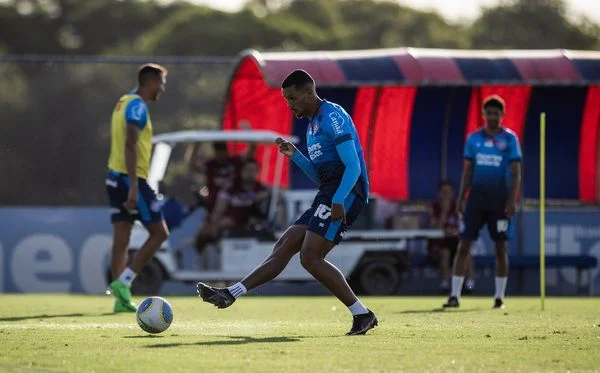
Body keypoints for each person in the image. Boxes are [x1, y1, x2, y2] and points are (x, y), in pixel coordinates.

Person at [196, 69, 378, 336]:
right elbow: (320, 176)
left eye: (292, 98)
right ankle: (230, 293)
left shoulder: (333, 117)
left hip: (347, 193)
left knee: (310, 257)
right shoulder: (313, 126)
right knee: (284, 245)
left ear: (308, 92)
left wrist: (339, 200)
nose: (289, 104)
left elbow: (353, 167)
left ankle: (362, 314)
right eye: (286, 99)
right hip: (329, 193)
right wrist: (296, 156)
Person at [443, 95, 522, 309]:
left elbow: (516, 173)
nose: (493, 117)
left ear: (502, 115)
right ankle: (454, 296)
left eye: (497, 113)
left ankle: (499, 298)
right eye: (489, 113)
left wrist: (512, 201)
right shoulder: (474, 139)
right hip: (476, 201)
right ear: (484, 114)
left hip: (500, 203)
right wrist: (461, 198)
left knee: (500, 248)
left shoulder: (510, 139)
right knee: (464, 245)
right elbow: (468, 170)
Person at [105, 64, 170, 312]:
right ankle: (124, 282)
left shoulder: (124, 101)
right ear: (151, 82)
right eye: (161, 84)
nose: (161, 90)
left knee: (122, 239)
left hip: (113, 176)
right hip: (130, 179)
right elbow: (130, 143)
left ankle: (121, 301)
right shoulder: (137, 106)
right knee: (160, 233)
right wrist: (133, 185)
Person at [194, 159, 270, 254]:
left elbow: (262, 208)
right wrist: (214, 221)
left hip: (249, 220)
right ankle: (203, 255)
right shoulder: (231, 187)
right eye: (248, 170)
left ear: (258, 172)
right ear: (241, 171)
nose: (250, 173)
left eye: (253, 170)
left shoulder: (262, 190)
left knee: (225, 223)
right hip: (229, 218)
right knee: (207, 230)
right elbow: (219, 208)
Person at [428, 180, 474, 294]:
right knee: (444, 253)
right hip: (439, 242)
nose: (446, 195)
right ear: (439, 193)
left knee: (466, 252)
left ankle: (468, 285)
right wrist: (444, 211)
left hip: (456, 240)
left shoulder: (458, 206)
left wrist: (455, 231)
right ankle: (444, 285)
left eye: (449, 192)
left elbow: (464, 226)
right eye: (443, 192)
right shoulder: (434, 207)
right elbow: (435, 227)